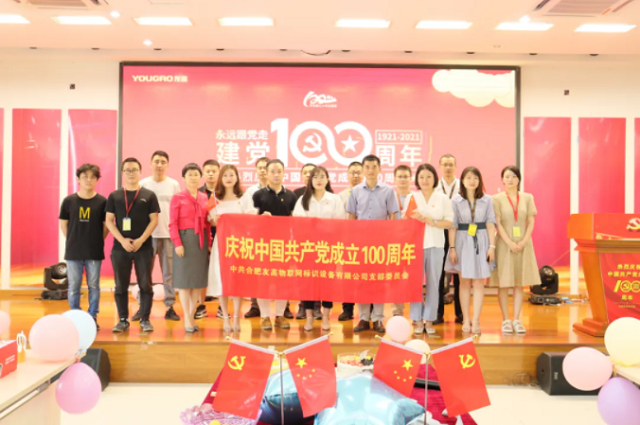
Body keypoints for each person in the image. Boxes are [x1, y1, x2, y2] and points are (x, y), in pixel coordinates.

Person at [347, 155, 400, 333]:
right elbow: (351, 216)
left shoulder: (388, 190)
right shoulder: (355, 191)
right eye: (367, 167)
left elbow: (393, 215)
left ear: (380, 169)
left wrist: (391, 238)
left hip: (381, 242)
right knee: (361, 281)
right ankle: (363, 318)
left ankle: (378, 318)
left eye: (374, 167)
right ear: (363, 169)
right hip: (360, 242)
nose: (370, 170)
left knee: (379, 281)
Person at [106, 158, 160, 333]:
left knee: (145, 284)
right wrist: (122, 240)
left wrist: (141, 240)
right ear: (123, 173)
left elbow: (154, 220)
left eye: (134, 169)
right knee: (120, 285)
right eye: (127, 170)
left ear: (140, 172)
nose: (131, 173)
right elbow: (109, 221)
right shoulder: (114, 196)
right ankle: (122, 320)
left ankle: (145, 318)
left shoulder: (149, 195)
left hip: (143, 247)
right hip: (120, 248)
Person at [445, 166, 496, 335]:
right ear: (463, 181)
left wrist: (492, 246)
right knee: (464, 282)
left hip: (481, 240)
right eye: (468, 177)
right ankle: (466, 319)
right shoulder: (456, 200)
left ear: (480, 180)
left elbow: (490, 224)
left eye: (475, 177)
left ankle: (476, 320)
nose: (472, 181)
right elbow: (452, 226)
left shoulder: (487, 200)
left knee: (479, 282)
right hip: (462, 241)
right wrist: (452, 248)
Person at [293, 166, 345, 331]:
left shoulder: (335, 199)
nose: (319, 180)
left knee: (327, 283)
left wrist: (321, 227)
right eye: (315, 177)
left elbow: (340, 223)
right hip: (308, 249)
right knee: (308, 283)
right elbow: (298, 223)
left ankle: (326, 317)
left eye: (322, 176)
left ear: (328, 179)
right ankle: (309, 318)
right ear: (310, 180)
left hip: (328, 248)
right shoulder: (303, 200)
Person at [490, 166, 540, 334]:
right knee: (504, 284)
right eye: (507, 176)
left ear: (519, 179)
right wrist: (509, 242)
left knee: (519, 283)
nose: (510, 179)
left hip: (523, 244)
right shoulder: (496, 199)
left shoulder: (527, 197)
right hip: (504, 244)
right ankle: (506, 320)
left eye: (513, 176)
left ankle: (517, 319)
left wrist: (524, 241)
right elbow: (497, 223)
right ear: (502, 180)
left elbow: (531, 221)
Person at [404, 164, 453, 335]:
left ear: (434, 178)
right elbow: (405, 221)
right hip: (415, 246)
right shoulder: (411, 197)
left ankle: (430, 319)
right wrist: (413, 218)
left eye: (428, 177)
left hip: (436, 245)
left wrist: (433, 222)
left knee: (433, 283)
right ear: (417, 179)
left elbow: (449, 222)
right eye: (421, 177)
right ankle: (417, 320)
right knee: (415, 284)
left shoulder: (442, 198)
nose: (425, 180)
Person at [59, 164, 108, 331]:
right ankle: (76, 316)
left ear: (97, 180)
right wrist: (74, 240)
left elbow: (106, 226)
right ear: (78, 179)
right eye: (85, 176)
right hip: (73, 251)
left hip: (94, 251)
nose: (89, 180)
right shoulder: (69, 201)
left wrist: (97, 240)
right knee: (74, 286)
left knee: (94, 285)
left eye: (93, 177)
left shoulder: (102, 201)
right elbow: (64, 225)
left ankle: (92, 316)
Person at [252, 159, 298, 330]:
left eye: (279, 171)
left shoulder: (291, 196)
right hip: (263, 245)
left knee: (282, 281)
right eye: (272, 171)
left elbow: (296, 221)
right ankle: (265, 316)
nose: (276, 174)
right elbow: (250, 221)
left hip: (284, 245)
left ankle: (279, 315)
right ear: (267, 173)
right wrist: (260, 219)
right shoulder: (258, 195)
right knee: (263, 281)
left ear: (284, 173)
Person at [139, 151, 181, 322]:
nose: (159, 164)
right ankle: (143, 308)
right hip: (148, 236)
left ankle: (170, 307)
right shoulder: (143, 184)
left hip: (168, 235)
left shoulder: (174, 185)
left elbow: (178, 211)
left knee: (169, 274)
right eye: (156, 161)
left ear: (167, 165)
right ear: (150, 164)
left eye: (163, 162)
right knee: (145, 273)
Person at [169, 163, 210, 333]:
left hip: (201, 241)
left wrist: (209, 243)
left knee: (197, 282)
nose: (193, 177)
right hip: (185, 240)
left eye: (196, 174)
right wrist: (177, 243)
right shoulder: (177, 197)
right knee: (185, 283)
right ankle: (187, 316)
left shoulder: (204, 197)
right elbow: (172, 223)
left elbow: (207, 223)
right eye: (190, 175)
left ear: (200, 178)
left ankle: (191, 315)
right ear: (184, 178)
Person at [207, 164, 245, 333]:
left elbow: (251, 219)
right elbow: (210, 221)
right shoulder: (215, 198)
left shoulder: (244, 197)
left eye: (232, 175)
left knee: (237, 279)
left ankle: (236, 316)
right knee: (221, 278)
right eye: (225, 175)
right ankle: (225, 317)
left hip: (240, 244)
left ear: (236, 177)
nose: (229, 178)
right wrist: (214, 220)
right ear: (221, 179)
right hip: (221, 243)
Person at [239, 156, 270, 319]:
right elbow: (245, 215)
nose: (263, 170)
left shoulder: (281, 190)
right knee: (255, 273)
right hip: (255, 238)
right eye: (260, 168)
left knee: (277, 273)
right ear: (256, 171)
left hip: (276, 239)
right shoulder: (250, 192)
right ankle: (255, 306)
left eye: (266, 167)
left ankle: (283, 308)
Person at [435, 154, 462, 325]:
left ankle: (460, 312)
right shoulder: (435, 187)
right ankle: (438, 312)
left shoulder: (462, 185)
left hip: (459, 233)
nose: (448, 167)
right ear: (440, 166)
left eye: (451, 164)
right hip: (439, 232)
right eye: (445, 164)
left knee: (460, 274)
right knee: (438, 274)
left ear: (455, 166)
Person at [293, 163, 321, 320]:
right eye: (306, 173)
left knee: (319, 276)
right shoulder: (297, 194)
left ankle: (317, 306)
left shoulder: (328, 195)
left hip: (322, 244)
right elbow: (294, 219)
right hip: (303, 243)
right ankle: (303, 305)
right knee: (304, 275)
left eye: (313, 173)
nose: (309, 176)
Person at [195, 159, 221, 320]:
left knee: (221, 273)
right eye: (208, 171)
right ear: (203, 174)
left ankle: (222, 307)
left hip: (223, 239)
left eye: (214, 171)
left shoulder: (225, 192)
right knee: (201, 272)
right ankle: (201, 305)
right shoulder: (197, 193)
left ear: (219, 173)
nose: (211, 174)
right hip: (202, 238)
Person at [337, 161, 363, 321]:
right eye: (352, 172)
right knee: (348, 277)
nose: (355, 176)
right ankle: (347, 310)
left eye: (358, 172)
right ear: (347, 175)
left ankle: (368, 312)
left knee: (366, 277)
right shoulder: (340, 196)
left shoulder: (369, 194)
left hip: (366, 242)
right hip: (347, 242)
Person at [392, 164, 413, 317]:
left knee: (413, 279)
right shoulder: (390, 197)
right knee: (396, 279)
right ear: (395, 179)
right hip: (394, 245)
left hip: (413, 244)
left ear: (411, 178)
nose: (403, 179)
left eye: (406, 176)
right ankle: (397, 312)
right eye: (400, 176)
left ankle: (416, 314)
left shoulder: (416, 197)